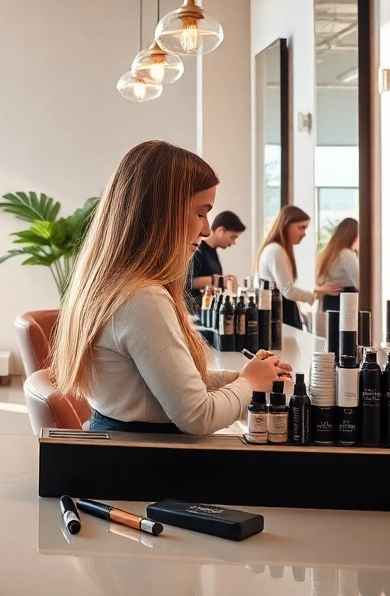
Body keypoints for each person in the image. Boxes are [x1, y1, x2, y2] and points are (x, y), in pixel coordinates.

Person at [50, 140, 289, 436]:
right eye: (201, 213)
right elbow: (198, 417)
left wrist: (240, 377)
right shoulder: (143, 299)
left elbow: (165, 381)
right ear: (163, 214)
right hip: (147, 465)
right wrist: (248, 384)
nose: (205, 229)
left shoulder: (113, 287)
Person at [256, 205, 342, 329]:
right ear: (286, 226)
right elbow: (288, 291)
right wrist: (314, 295)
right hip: (281, 317)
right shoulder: (275, 251)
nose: (304, 234)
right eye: (301, 228)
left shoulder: (276, 250)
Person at [186, 210, 246, 310]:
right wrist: (218, 280)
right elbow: (187, 282)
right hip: (194, 311)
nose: (234, 242)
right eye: (233, 237)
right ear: (220, 230)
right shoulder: (198, 250)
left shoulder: (212, 251)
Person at [315, 217, 360, 315]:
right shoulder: (345, 253)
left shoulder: (327, 254)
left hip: (329, 302)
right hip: (345, 303)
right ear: (354, 236)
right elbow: (358, 280)